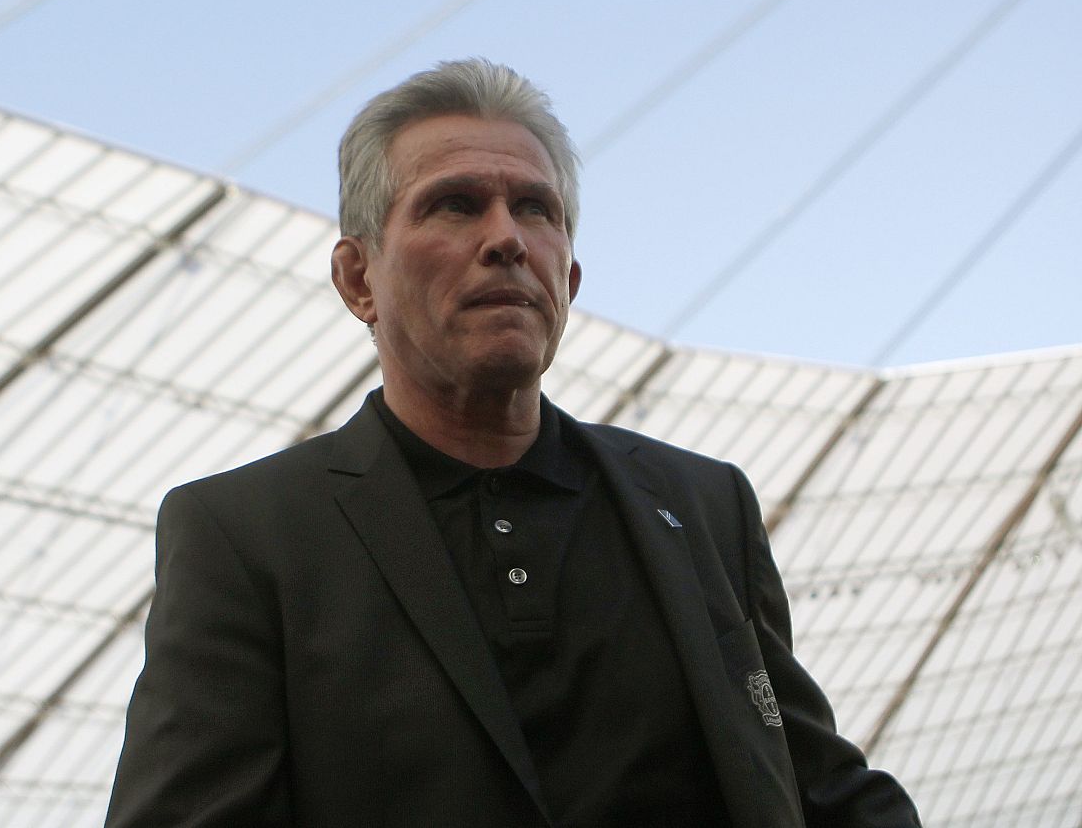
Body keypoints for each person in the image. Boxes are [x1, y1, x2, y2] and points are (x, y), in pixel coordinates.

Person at [105, 59, 919, 826]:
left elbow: (823, 790)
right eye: (455, 204)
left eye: (536, 208)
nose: (507, 238)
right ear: (358, 278)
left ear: (568, 280)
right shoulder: (248, 535)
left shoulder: (704, 507)